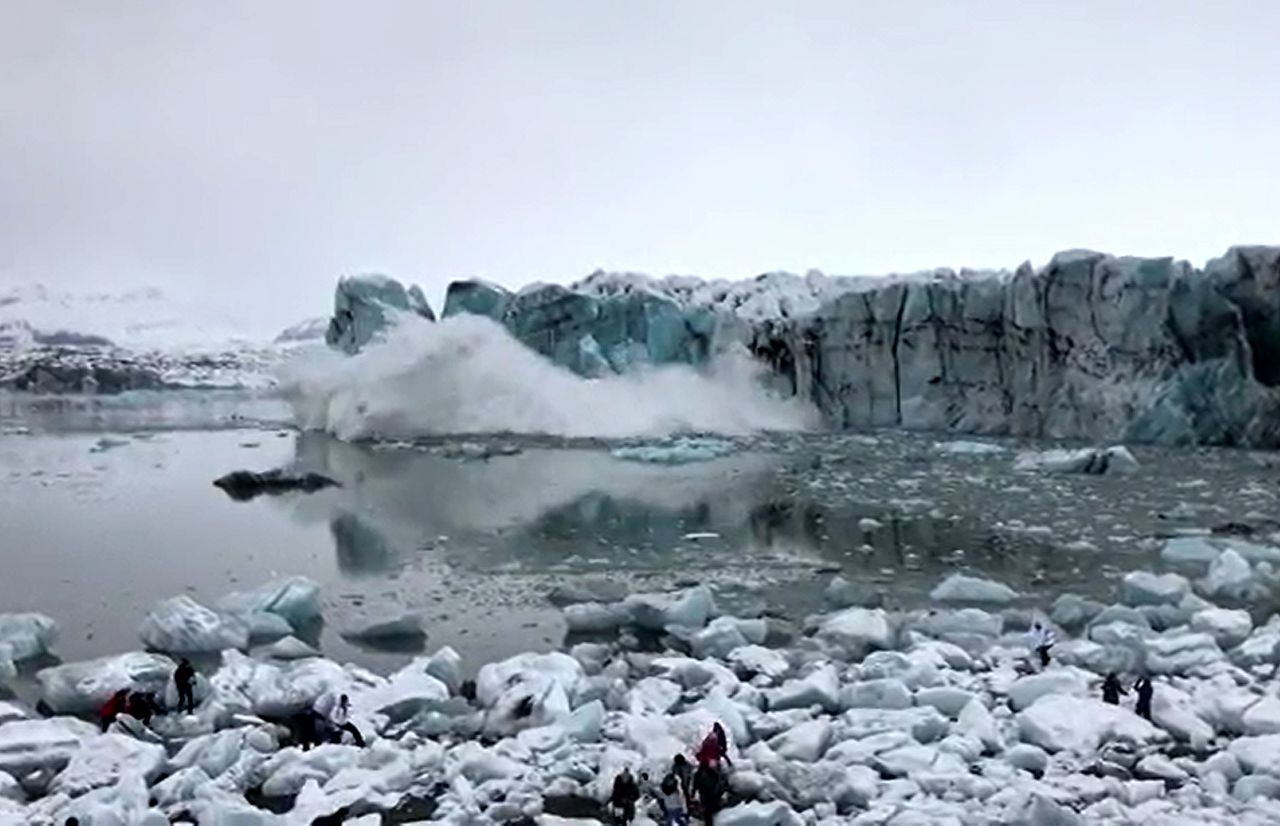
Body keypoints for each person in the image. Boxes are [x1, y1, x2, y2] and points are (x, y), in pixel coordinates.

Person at [693, 759, 723, 825]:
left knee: (707, 810)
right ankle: (710, 822)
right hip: (710, 793)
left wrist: (693, 793)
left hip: (705, 793)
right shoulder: (712, 772)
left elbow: (695, 785)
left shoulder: (698, 774)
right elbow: (717, 782)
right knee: (710, 810)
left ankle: (709, 822)